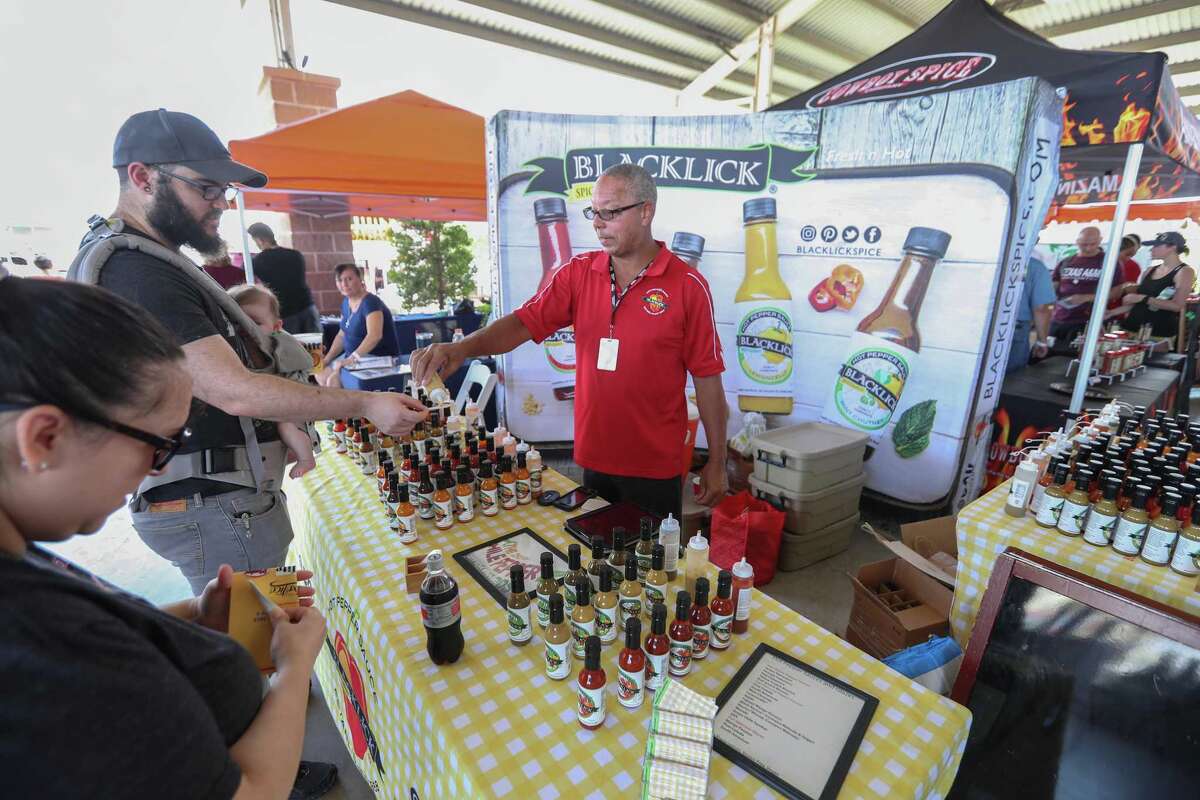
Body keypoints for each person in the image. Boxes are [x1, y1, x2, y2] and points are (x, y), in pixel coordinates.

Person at [0, 276, 331, 800]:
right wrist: (293, 667)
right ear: (44, 439)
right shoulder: (39, 645)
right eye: (159, 448)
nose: (154, 475)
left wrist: (187, 621)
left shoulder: (21, 560)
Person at [73, 108, 427, 596]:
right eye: (205, 187)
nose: (219, 202)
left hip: (216, 501)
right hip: (214, 503)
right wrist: (365, 402)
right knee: (258, 654)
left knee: (261, 641)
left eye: (225, 190)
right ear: (142, 177)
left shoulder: (146, 259)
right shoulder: (138, 272)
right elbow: (236, 392)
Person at [412, 163, 728, 519]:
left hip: (654, 467)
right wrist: (461, 348)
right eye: (594, 212)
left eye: (610, 212)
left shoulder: (687, 286)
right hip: (594, 458)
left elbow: (707, 378)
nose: (598, 223)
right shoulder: (578, 273)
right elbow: (521, 324)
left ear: (645, 211)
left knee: (647, 567)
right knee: (593, 563)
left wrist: (717, 459)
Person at [230, 283, 316, 479]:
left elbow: (298, 370)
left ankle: (306, 458)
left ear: (276, 327)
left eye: (254, 322)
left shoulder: (278, 343)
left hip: (292, 394)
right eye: (236, 322)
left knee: (285, 425)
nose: (244, 328)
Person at [316, 263, 401, 388]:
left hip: (378, 357)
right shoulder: (346, 302)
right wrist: (327, 359)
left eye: (349, 279)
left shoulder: (370, 303)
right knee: (320, 373)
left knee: (333, 381)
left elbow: (374, 336)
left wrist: (352, 359)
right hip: (353, 356)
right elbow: (342, 334)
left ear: (360, 279)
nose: (344, 284)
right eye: (340, 280)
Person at [1049, 226, 1127, 352]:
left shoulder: (1109, 262)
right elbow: (1053, 287)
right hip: (1059, 318)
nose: (1089, 248)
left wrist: (1086, 297)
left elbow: (1117, 292)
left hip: (1088, 321)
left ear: (1100, 240)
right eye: (1084, 244)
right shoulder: (1066, 261)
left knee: (1077, 358)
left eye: (1093, 244)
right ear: (1077, 242)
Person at [246, 222, 320, 334]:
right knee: (316, 345)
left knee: (293, 348)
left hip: (285, 313)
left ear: (260, 240)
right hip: (307, 307)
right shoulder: (295, 254)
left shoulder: (256, 262)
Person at [1120, 231, 1194, 340]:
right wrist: (1111, 312)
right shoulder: (1150, 270)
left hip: (1157, 333)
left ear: (1172, 247)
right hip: (1130, 328)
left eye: (1156, 246)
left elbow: (1177, 306)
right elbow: (1138, 302)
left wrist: (1142, 298)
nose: (1151, 249)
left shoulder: (1185, 271)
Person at [1007, 253, 1055, 373]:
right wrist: (1042, 341)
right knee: (1010, 380)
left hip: (976, 324)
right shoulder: (1034, 266)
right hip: (1014, 329)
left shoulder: (983, 259)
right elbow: (1042, 308)